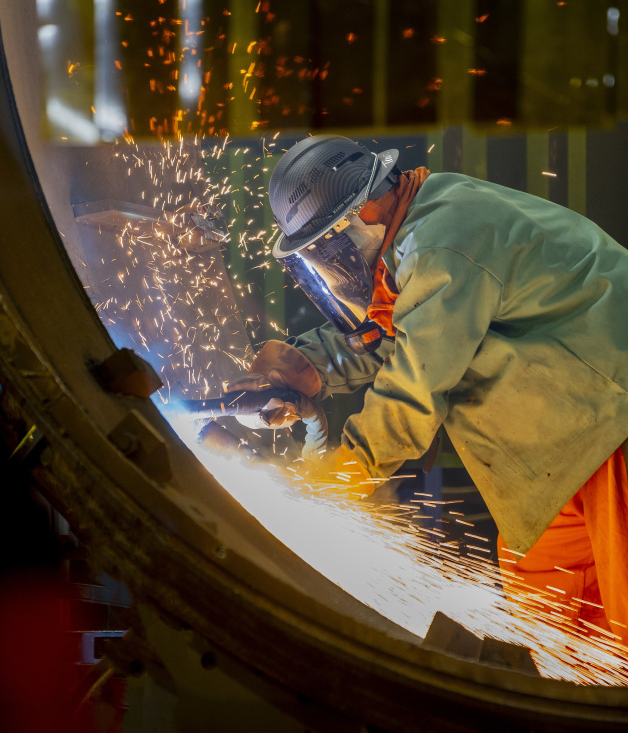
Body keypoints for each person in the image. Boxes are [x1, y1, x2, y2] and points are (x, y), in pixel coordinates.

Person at [226, 134, 628, 645]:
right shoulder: (417, 231)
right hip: (558, 465)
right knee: (556, 643)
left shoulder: (444, 239)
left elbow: (415, 382)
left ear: (362, 212)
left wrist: (335, 481)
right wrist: (303, 368)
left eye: (326, 245)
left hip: (612, 429)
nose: (331, 262)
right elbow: (393, 328)